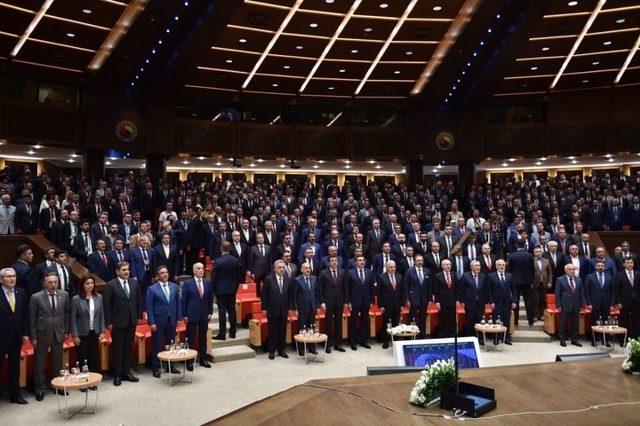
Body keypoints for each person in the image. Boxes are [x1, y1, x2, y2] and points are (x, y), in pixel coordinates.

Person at [30, 272, 70, 401]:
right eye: (50, 282)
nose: (53, 285)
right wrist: (34, 337)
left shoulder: (64, 295)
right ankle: (40, 389)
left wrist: (65, 330)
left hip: (58, 333)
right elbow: (32, 319)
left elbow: (66, 314)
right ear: (44, 284)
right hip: (42, 334)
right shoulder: (36, 297)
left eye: (55, 282)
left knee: (57, 362)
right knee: (40, 363)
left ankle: (57, 386)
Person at [103, 261, 141, 386]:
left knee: (128, 347)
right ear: (117, 271)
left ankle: (126, 371)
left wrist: (139, 316)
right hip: (117, 322)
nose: (126, 272)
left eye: (127, 269)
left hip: (131, 321)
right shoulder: (110, 285)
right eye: (124, 270)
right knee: (118, 348)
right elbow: (106, 306)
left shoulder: (134, 282)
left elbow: (138, 301)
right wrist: (108, 322)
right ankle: (117, 374)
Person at [0, 268, 30, 404]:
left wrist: (25, 333)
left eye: (14, 276)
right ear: (1, 280)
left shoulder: (21, 292)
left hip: (16, 336)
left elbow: (25, 315)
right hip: (1, 337)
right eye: (8, 277)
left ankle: (15, 394)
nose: (12, 279)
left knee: (15, 366)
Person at [146, 266, 181, 377]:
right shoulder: (152, 289)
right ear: (158, 276)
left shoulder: (174, 286)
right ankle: (156, 367)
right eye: (162, 273)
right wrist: (151, 322)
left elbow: (178, 303)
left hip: (172, 320)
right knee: (157, 344)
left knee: (170, 344)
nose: (165, 274)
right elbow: (149, 307)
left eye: (166, 272)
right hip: (158, 321)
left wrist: (179, 318)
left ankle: (170, 365)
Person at [70, 276, 105, 386]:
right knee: (82, 358)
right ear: (82, 285)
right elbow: (73, 318)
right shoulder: (76, 299)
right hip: (81, 333)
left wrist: (102, 331)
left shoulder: (98, 297)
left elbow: (101, 315)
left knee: (93, 357)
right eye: (87, 283)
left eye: (91, 283)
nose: (90, 285)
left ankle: (92, 382)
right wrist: (75, 335)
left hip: (94, 332)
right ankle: (83, 382)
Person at [181, 262, 213, 369]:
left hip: (204, 314)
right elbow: (184, 300)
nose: (201, 270)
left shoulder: (207, 283)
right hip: (191, 314)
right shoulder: (188, 283)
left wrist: (210, 312)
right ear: (194, 271)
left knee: (203, 337)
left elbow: (210, 299)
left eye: (202, 268)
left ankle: (203, 359)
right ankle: (189, 361)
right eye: (199, 268)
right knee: (190, 338)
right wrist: (184, 314)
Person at [261, 260, 292, 360]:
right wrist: (264, 308)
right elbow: (264, 295)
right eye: (279, 267)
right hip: (272, 309)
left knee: (282, 331)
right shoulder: (269, 279)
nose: (282, 269)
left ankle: (281, 350)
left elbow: (290, 295)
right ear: (274, 269)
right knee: (272, 332)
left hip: (284, 310)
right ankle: (271, 351)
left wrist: (291, 308)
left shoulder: (288, 279)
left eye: (283, 267)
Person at [212, 241, 242, 340]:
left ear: (221, 248)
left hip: (220, 291)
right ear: (230, 249)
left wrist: (213, 292)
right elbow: (239, 276)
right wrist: (235, 287)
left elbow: (214, 278)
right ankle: (233, 332)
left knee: (222, 312)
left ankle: (222, 334)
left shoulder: (217, 261)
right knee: (232, 310)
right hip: (232, 289)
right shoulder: (235, 260)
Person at [345, 255, 374, 350]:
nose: (362, 262)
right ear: (355, 262)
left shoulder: (369, 272)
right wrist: (348, 301)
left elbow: (371, 288)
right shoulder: (350, 273)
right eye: (359, 260)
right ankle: (352, 342)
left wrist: (371, 301)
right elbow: (347, 289)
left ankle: (363, 341)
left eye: (363, 260)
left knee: (364, 322)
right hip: (354, 301)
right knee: (353, 322)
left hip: (366, 301)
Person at [318, 256, 346, 353]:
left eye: (336, 261)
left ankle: (338, 344)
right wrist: (322, 302)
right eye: (332, 261)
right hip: (328, 303)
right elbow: (320, 290)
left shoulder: (342, 272)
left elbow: (345, 288)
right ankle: (328, 345)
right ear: (328, 263)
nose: (334, 262)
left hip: (339, 302)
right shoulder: (323, 273)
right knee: (328, 324)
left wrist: (345, 301)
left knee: (339, 324)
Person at [585, 260, 614, 347]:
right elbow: (587, 291)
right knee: (594, 322)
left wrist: (612, 304)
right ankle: (594, 340)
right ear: (595, 267)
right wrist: (589, 303)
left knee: (606, 322)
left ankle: (605, 340)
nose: (600, 267)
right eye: (598, 265)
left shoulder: (609, 277)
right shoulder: (590, 277)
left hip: (606, 303)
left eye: (602, 266)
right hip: (594, 303)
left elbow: (613, 292)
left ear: (604, 267)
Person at [293, 263, 320, 355]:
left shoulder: (314, 279)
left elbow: (317, 294)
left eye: (309, 268)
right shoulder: (297, 280)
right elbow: (294, 296)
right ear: (301, 270)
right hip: (302, 309)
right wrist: (296, 309)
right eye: (305, 268)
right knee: (302, 329)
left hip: (312, 307)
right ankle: (301, 349)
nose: (308, 269)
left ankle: (312, 347)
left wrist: (317, 306)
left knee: (311, 328)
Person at [378, 260, 406, 349]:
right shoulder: (381, 277)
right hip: (386, 305)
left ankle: (395, 341)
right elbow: (379, 293)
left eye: (394, 267)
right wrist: (381, 305)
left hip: (397, 304)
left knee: (396, 323)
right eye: (391, 267)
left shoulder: (400, 276)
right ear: (387, 268)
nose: (393, 268)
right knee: (386, 323)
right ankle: (386, 341)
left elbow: (402, 292)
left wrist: (402, 305)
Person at [555, 264, 584, 347]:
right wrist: (558, 305)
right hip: (564, 305)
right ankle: (562, 339)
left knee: (576, 324)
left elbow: (581, 292)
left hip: (576, 305)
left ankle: (574, 340)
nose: (572, 271)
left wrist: (582, 304)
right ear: (566, 271)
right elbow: (557, 293)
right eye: (570, 269)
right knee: (563, 323)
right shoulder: (560, 280)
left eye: (573, 269)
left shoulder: (579, 280)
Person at [507, 240, 535, 327]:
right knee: (529, 301)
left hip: (515, 281)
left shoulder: (512, 256)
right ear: (524, 245)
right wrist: (531, 280)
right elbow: (532, 269)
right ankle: (530, 320)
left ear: (516, 245)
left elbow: (509, 271)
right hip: (527, 281)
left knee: (516, 301)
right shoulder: (530, 256)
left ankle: (515, 321)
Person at [488, 259, 515, 345]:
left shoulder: (510, 275)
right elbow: (489, 291)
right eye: (499, 265)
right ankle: (496, 339)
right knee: (496, 320)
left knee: (506, 320)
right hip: (496, 303)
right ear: (496, 266)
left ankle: (506, 338)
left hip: (507, 302)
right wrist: (491, 302)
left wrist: (514, 301)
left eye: (503, 265)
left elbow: (514, 290)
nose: (501, 266)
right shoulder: (491, 276)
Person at [405, 254, 431, 339]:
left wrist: (430, 299)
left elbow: (429, 286)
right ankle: (411, 336)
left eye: (421, 260)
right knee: (412, 317)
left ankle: (422, 336)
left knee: (423, 318)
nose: (420, 262)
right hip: (413, 298)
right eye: (418, 261)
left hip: (424, 298)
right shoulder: (409, 271)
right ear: (414, 261)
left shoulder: (427, 271)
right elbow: (406, 287)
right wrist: (407, 299)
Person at [459, 260, 487, 338]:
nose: (478, 267)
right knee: (470, 321)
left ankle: (480, 338)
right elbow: (462, 289)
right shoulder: (465, 276)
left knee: (480, 321)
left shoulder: (483, 276)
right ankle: (470, 338)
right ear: (471, 267)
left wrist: (486, 301)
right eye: (476, 266)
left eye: (479, 265)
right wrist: (462, 301)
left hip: (480, 303)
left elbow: (485, 290)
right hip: (469, 303)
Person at [615, 258, 640, 341]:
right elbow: (617, 290)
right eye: (628, 262)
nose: (630, 264)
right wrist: (618, 302)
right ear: (624, 264)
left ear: (633, 264)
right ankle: (623, 339)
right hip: (624, 302)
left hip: (636, 302)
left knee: (636, 320)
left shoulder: (637, 274)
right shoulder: (619, 275)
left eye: (631, 262)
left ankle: (635, 339)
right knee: (624, 321)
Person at [434, 259, 457, 338]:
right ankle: (442, 334)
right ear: (442, 266)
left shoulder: (454, 274)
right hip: (442, 301)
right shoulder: (438, 276)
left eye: (449, 264)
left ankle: (451, 334)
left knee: (451, 318)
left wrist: (457, 300)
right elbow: (435, 290)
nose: (448, 266)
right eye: (446, 265)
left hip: (452, 300)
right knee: (442, 318)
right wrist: (437, 302)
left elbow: (456, 289)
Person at [532, 247, 552, 321]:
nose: (539, 253)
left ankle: (542, 314)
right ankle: (535, 315)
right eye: (537, 251)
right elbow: (529, 273)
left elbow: (550, 273)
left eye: (540, 251)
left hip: (544, 283)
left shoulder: (546, 261)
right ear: (534, 253)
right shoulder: (531, 260)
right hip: (534, 283)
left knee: (543, 300)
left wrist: (549, 282)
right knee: (535, 300)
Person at [249, 233, 272, 298]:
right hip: (257, 271)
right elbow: (251, 261)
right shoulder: (253, 249)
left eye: (262, 237)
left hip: (266, 271)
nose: (261, 239)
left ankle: (266, 298)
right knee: (257, 286)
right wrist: (252, 272)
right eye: (259, 238)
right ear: (256, 240)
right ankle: (258, 298)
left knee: (267, 285)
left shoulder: (268, 248)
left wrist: (271, 271)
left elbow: (270, 260)